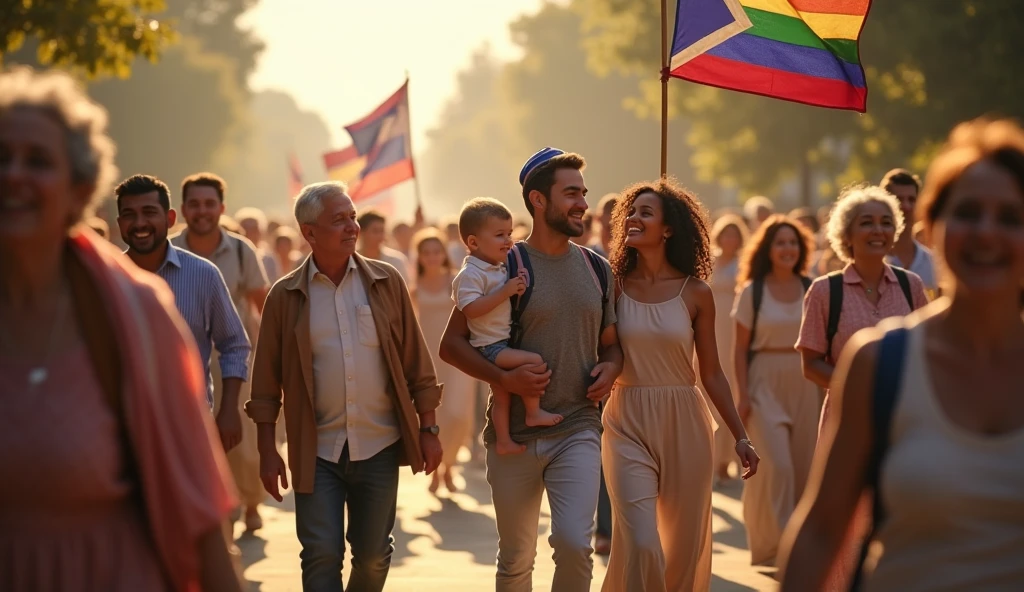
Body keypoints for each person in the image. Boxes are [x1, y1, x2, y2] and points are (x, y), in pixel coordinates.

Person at [0, 65, 241, 592]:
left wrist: (235, 410)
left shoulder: (133, 311)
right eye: (2, 157)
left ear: (77, 189)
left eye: (37, 161)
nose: (12, 175)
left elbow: (199, 514)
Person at [779, 119, 1024, 590]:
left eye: (1011, 217)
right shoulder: (878, 362)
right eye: (968, 212)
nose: (987, 233)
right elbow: (821, 530)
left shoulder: (910, 286)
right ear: (933, 227)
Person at [246, 181, 443, 592]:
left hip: (379, 445)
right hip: (316, 450)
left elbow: (417, 364)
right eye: (339, 220)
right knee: (320, 553)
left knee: (374, 555)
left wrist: (429, 429)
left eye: (353, 216)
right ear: (309, 232)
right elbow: (265, 385)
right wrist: (267, 449)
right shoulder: (285, 297)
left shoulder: (386, 282)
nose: (352, 226)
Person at [440, 148, 622, 592]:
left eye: (583, 193)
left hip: (577, 426)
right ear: (538, 200)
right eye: (571, 193)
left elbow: (612, 348)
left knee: (575, 544)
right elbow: (451, 345)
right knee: (517, 559)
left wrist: (612, 370)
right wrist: (502, 379)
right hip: (514, 438)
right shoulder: (504, 265)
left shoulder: (598, 269)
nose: (582, 202)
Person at [601, 178, 759, 592]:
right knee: (640, 542)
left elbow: (711, 373)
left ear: (668, 229)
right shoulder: (612, 287)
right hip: (626, 421)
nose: (633, 218)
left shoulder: (697, 293)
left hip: (685, 422)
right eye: (631, 212)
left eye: (645, 213)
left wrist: (740, 437)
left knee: (683, 548)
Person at [795, 184, 928, 590]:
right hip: (845, 424)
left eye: (886, 222)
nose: (878, 230)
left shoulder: (912, 287)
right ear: (846, 233)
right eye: (867, 222)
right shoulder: (824, 291)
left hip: (904, 425)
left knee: (899, 516)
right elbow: (810, 363)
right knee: (842, 520)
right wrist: (863, 387)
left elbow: (926, 355)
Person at [171, 171, 270, 533]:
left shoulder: (242, 251)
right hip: (182, 364)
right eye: (194, 204)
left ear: (221, 208)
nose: (202, 211)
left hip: (235, 361)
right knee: (196, 440)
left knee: (241, 443)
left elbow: (264, 304)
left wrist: (274, 359)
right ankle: (215, 508)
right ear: (182, 210)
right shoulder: (168, 251)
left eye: (209, 204)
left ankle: (251, 502)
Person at [731, 215, 821, 567]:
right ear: (768, 249)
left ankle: (796, 549)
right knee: (778, 467)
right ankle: (779, 550)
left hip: (806, 381)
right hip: (764, 380)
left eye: (794, 243)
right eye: (781, 242)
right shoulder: (752, 291)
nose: (788, 249)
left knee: (803, 469)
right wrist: (742, 394)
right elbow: (739, 349)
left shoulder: (812, 287)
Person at [453, 197, 565, 454]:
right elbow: (470, 309)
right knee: (534, 361)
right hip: (488, 347)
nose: (508, 241)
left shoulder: (497, 267)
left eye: (509, 233)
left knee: (501, 397)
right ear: (473, 242)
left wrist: (518, 281)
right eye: (499, 235)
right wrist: (505, 292)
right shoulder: (469, 274)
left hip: (499, 341)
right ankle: (534, 412)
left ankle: (503, 441)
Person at [410, 227, 477, 493]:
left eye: (436, 251)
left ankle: (450, 466)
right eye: (426, 252)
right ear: (420, 256)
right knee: (433, 415)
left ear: (443, 254)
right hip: (428, 357)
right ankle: (437, 470)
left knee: (458, 414)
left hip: (457, 356)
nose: (432, 256)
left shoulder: (456, 281)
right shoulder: (414, 288)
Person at [704, 213, 749, 483]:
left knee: (729, 392)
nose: (730, 239)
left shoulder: (744, 265)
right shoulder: (709, 260)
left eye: (735, 234)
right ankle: (711, 457)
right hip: (710, 327)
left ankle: (728, 459)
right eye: (726, 233)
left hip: (733, 330)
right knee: (708, 392)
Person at [880, 168, 939, 297]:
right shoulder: (873, 262)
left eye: (911, 200)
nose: (906, 206)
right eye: (898, 200)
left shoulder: (934, 264)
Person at [357, 209, 411, 284]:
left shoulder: (396, 262)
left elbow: (403, 292)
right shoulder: (349, 261)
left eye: (382, 231)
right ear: (360, 233)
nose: (380, 236)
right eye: (375, 231)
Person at [236, 206, 281, 284]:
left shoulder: (269, 258)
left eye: (254, 228)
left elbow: (274, 284)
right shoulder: (233, 256)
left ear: (261, 231)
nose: (250, 232)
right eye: (246, 228)